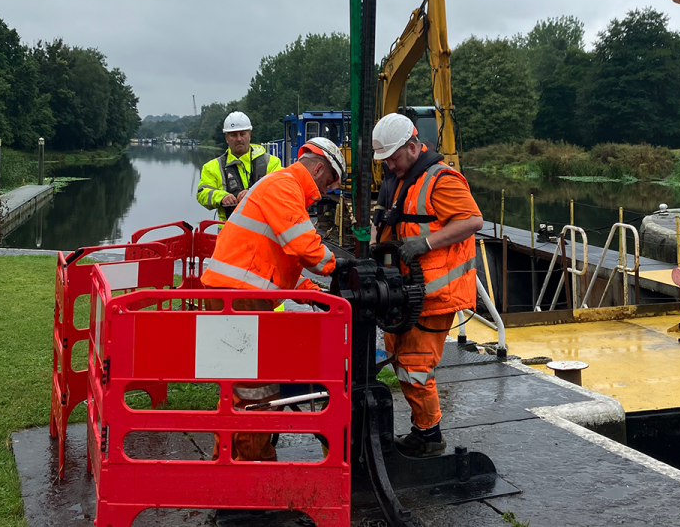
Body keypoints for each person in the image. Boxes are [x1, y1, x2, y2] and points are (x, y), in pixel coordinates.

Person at [200, 137, 347, 461]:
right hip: (238, 299)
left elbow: (271, 256)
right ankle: (251, 472)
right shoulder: (285, 186)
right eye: (329, 183)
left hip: (234, 295)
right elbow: (304, 247)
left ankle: (224, 464)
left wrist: (306, 290)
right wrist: (341, 265)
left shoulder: (280, 185)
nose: (327, 191)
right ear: (319, 168)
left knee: (236, 389)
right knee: (255, 390)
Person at [371, 113, 483, 458]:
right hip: (404, 291)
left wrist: (427, 243)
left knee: (416, 366)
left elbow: (473, 220)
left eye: (393, 156)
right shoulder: (397, 179)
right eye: (385, 159)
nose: (389, 164)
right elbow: (384, 221)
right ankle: (423, 431)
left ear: (412, 146)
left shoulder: (442, 179)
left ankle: (430, 438)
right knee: (401, 362)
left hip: (434, 292)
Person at [196, 111, 281, 226]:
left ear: (249, 135)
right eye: (233, 135)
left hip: (263, 231)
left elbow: (281, 190)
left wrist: (253, 193)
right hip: (228, 233)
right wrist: (221, 197)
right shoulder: (211, 167)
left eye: (242, 134)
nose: (239, 139)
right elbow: (202, 193)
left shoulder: (271, 163)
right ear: (227, 138)